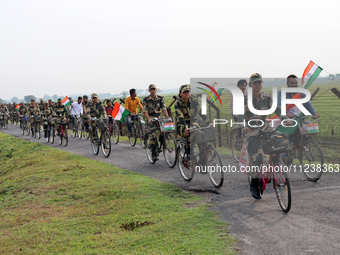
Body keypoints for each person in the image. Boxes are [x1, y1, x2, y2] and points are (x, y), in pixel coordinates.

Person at [238, 73, 282, 200]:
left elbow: (277, 110)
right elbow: (240, 116)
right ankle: (254, 183)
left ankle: (277, 164)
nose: (257, 85)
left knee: (281, 140)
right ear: (250, 85)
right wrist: (243, 127)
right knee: (258, 158)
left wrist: (286, 118)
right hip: (250, 130)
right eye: (255, 83)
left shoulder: (267, 98)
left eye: (259, 83)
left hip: (264, 127)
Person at [175, 84, 211, 158]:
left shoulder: (194, 100)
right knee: (191, 132)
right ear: (180, 93)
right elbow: (181, 118)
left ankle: (202, 157)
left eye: (188, 92)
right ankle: (189, 150)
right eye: (184, 92)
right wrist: (185, 127)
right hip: (181, 125)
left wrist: (208, 122)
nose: (187, 93)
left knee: (201, 134)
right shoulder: (177, 104)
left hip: (193, 123)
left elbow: (201, 112)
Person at [143, 84, 169, 160]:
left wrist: (167, 117)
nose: (153, 91)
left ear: (156, 90)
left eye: (154, 89)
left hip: (159, 117)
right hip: (150, 118)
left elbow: (164, 108)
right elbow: (145, 111)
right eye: (151, 89)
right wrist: (148, 119)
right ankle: (153, 153)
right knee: (153, 135)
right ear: (149, 91)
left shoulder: (160, 98)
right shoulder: (146, 99)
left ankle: (162, 141)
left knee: (165, 130)